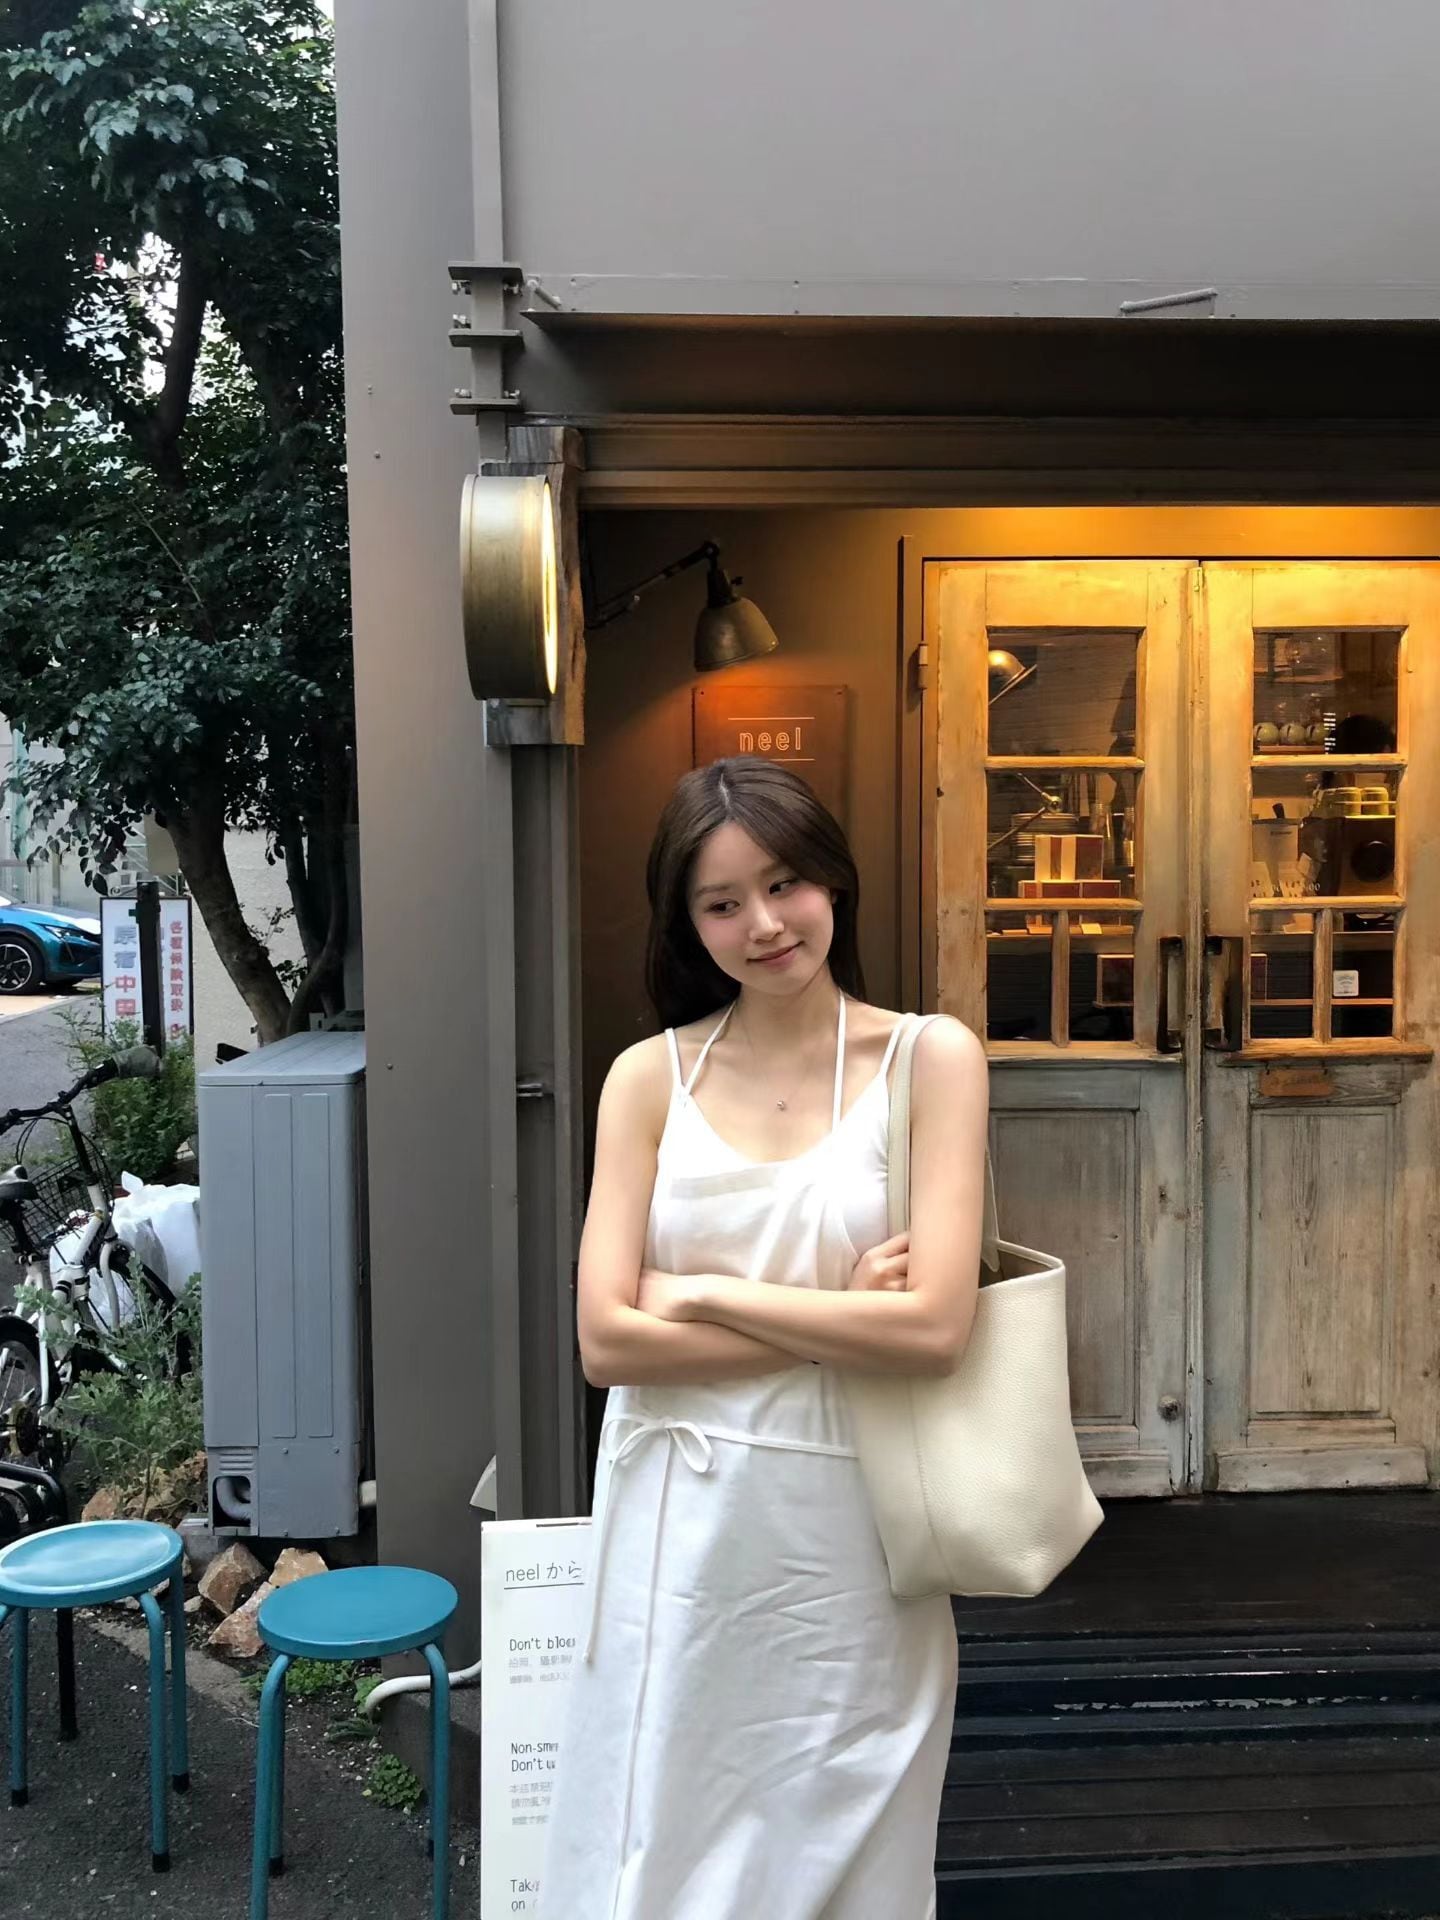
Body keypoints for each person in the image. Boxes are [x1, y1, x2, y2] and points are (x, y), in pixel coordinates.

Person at [539, 756, 989, 1920]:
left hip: (855, 1530)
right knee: (666, 1836)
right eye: (723, 902)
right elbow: (605, 1342)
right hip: (679, 1532)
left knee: (850, 1838)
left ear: (832, 879)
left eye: (785, 884)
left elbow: (936, 1327)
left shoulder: (930, 1057)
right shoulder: (648, 1077)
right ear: (687, 923)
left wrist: (696, 1294)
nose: (765, 924)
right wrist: (842, 1320)